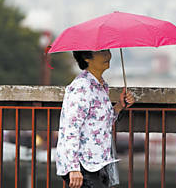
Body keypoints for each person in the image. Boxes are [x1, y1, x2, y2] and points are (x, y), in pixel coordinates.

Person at [56, 49, 135, 188]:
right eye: (102, 52)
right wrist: (73, 167)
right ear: (87, 58)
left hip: (97, 163)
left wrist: (119, 106)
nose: (108, 55)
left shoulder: (101, 86)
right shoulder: (82, 86)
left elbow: (100, 124)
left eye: (108, 51)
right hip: (82, 165)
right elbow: (71, 127)